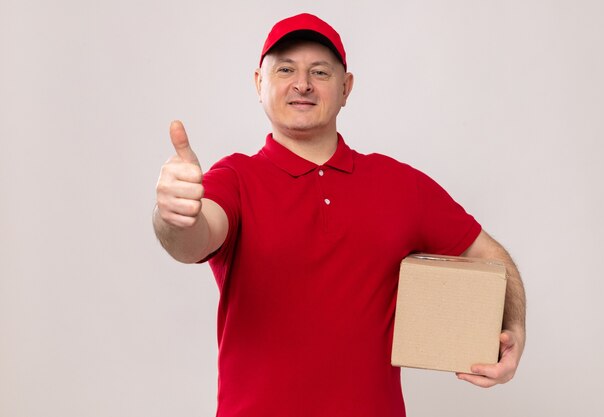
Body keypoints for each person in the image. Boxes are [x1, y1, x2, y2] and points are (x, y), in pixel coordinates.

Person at [153, 13, 526, 417]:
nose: (302, 84)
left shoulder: (399, 185)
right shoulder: (235, 178)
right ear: (259, 84)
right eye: (285, 69)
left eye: (320, 72)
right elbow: (194, 239)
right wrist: (175, 215)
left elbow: (490, 257)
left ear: (346, 88)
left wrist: (515, 328)